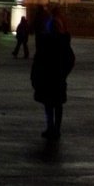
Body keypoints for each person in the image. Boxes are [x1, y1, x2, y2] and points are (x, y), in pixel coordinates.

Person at [31, 12, 75, 140]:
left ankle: (51, 127)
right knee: (58, 105)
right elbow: (71, 59)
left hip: (48, 78)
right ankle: (56, 129)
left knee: (49, 105)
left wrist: (35, 76)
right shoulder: (64, 42)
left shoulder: (45, 41)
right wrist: (64, 73)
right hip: (59, 78)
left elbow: (38, 61)